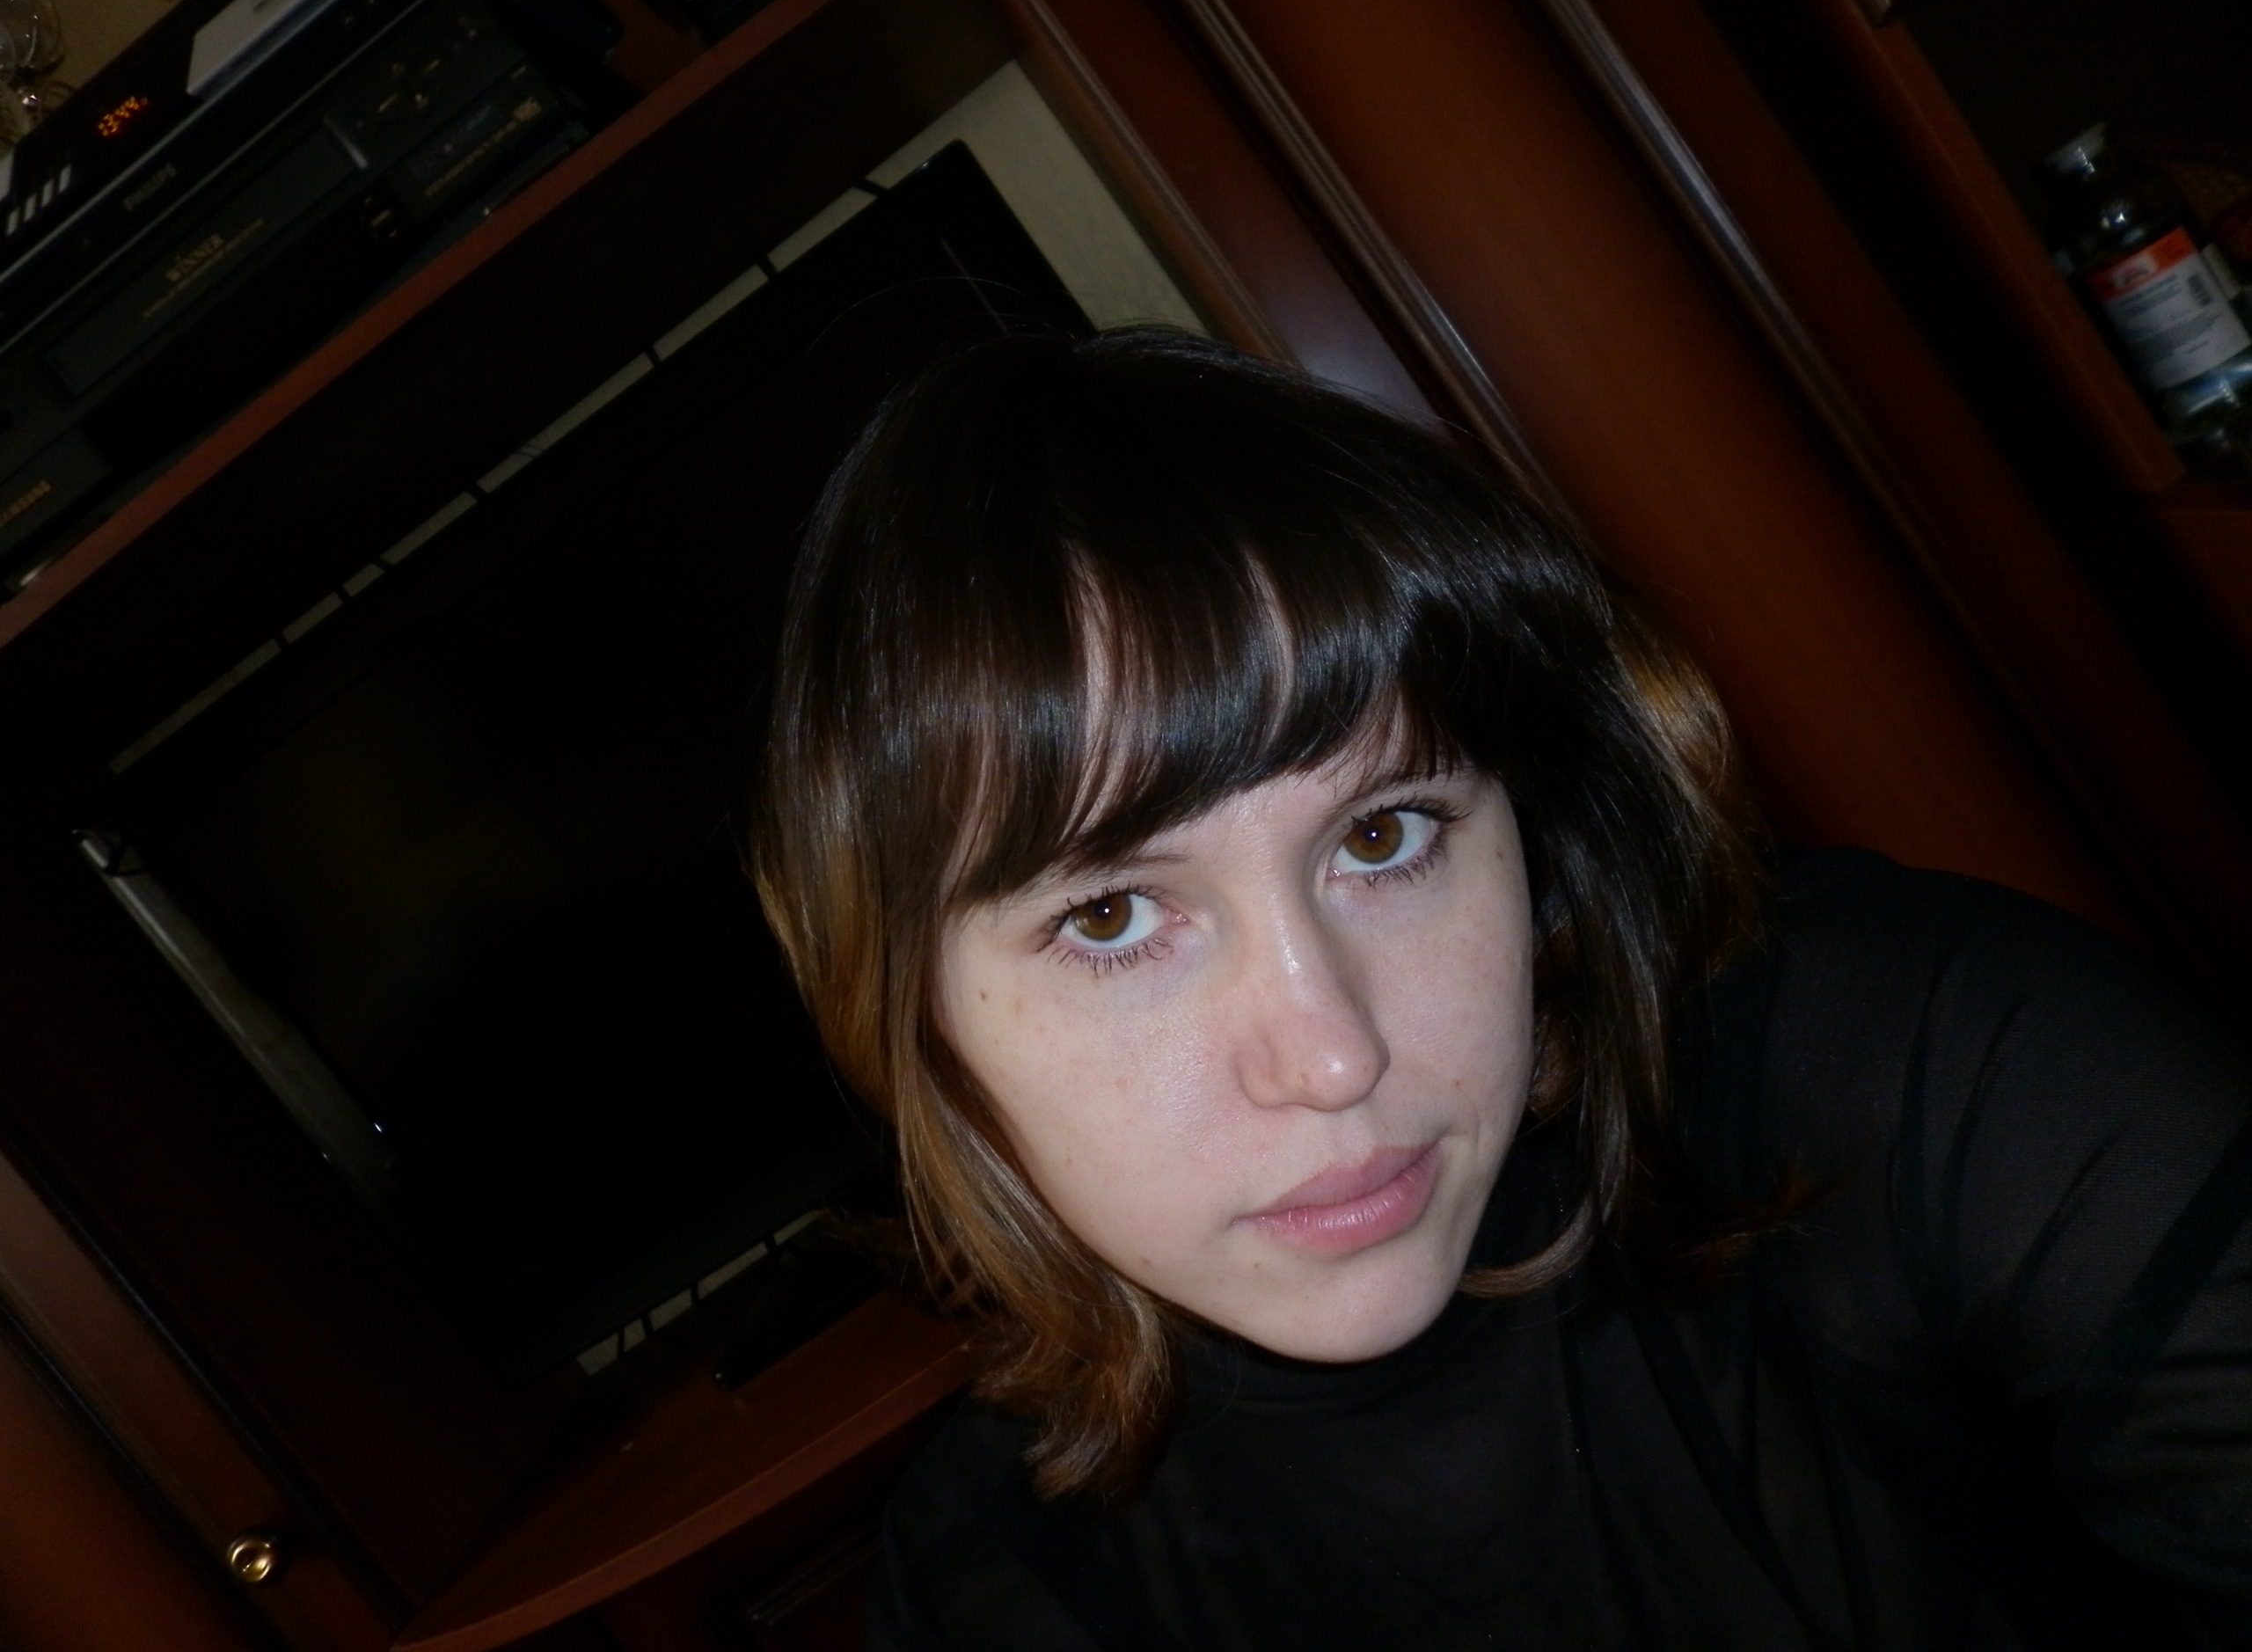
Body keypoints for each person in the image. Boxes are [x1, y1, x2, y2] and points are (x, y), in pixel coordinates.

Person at [750, 327, 2252, 1649]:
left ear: (1528, 832)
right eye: (1114, 916)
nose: (1331, 1056)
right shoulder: (993, 1585)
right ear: (919, 1015)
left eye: (1382, 837)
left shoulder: (1955, 1073)